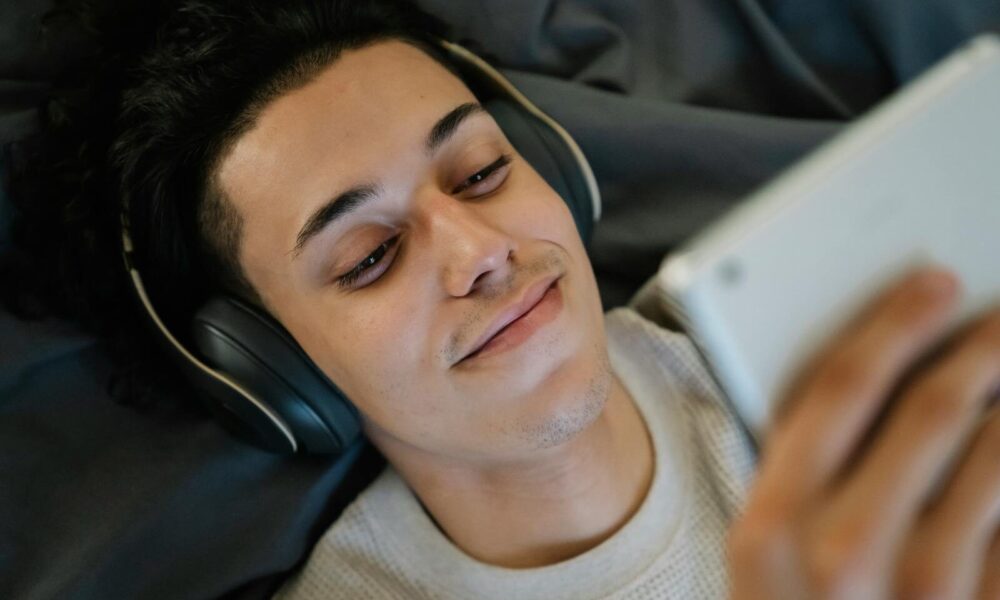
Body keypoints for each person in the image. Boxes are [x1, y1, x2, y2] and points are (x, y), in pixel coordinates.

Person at [2, 0, 998, 598]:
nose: (480, 251)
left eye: (479, 171)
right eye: (370, 255)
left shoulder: (822, 340)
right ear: (276, 374)